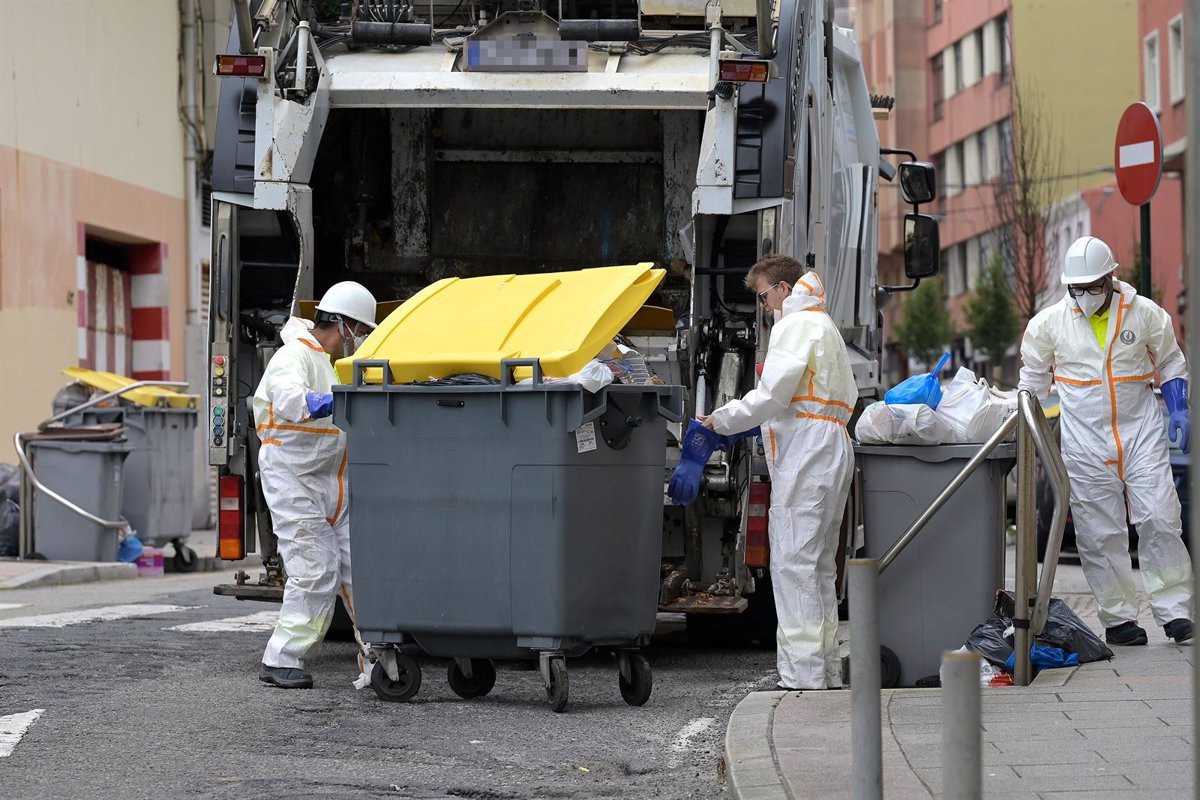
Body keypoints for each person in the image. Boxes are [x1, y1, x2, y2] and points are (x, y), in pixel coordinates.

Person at [1019, 235, 1193, 646]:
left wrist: (1180, 406)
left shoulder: (1145, 314)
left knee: (1160, 517)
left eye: (1092, 287)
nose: (1084, 296)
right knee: (1099, 533)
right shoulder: (1048, 325)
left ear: (1111, 278)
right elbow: (1032, 381)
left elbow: (1169, 362)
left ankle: (1175, 611)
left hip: (1140, 434)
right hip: (1085, 443)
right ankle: (1118, 620)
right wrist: (1025, 423)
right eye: (1075, 289)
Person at [700, 255, 858, 690]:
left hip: (807, 452)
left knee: (793, 563)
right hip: (830, 447)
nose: (766, 305)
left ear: (784, 289)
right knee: (820, 564)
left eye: (765, 295)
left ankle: (803, 675)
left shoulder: (796, 325)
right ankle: (824, 668)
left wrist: (723, 419)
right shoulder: (824, 327)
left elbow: (772, 395)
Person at [254, 281, 378, 688]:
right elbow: (290, 402)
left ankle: (378, 655)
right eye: (359, 330)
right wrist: (338, 400)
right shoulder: (295, 356)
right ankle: (282, 657)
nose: (359, 340)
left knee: (360, 569)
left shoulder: (330, 361)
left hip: (332, 479)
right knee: (315, 569)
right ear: (342, 324)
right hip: (293, 478)